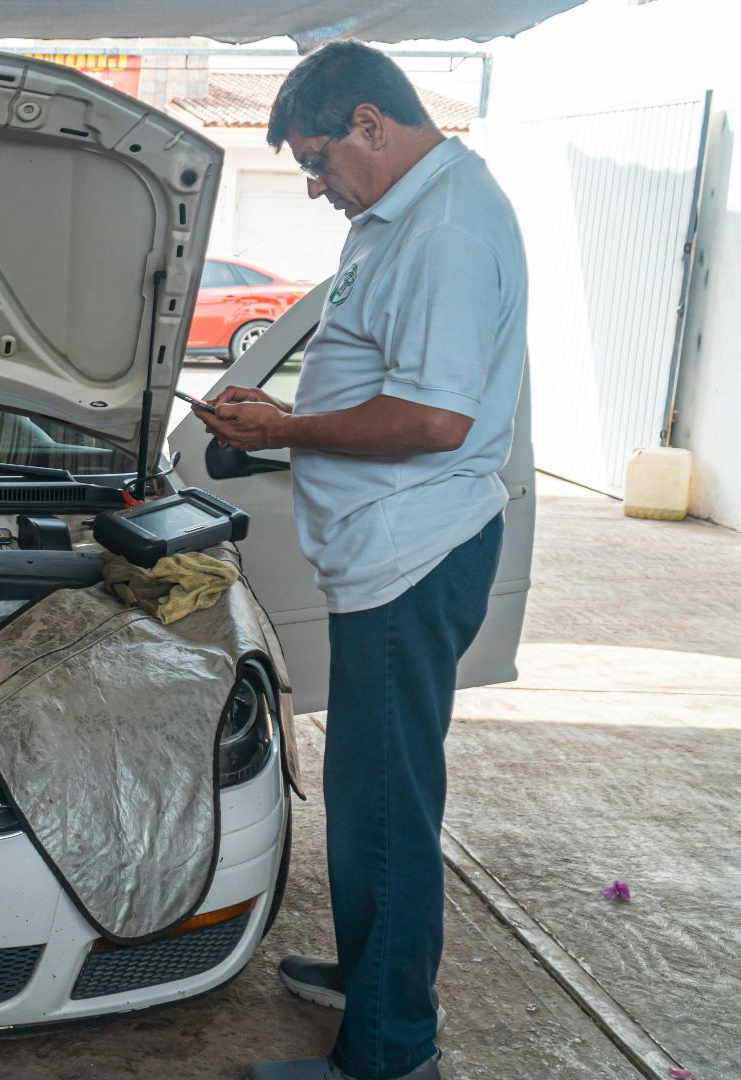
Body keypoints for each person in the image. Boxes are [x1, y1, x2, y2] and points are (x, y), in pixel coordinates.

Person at [200, 42, 528, 1080]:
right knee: (371, 793)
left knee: (386, 806)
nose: (312, 183)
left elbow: (434, 418)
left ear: (371, 125)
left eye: (317, 159)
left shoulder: (446, 228)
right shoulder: (402, 216)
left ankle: (390, 1053)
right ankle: (373, 973)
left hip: (412, 554)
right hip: (389, 555)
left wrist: (286, 430)